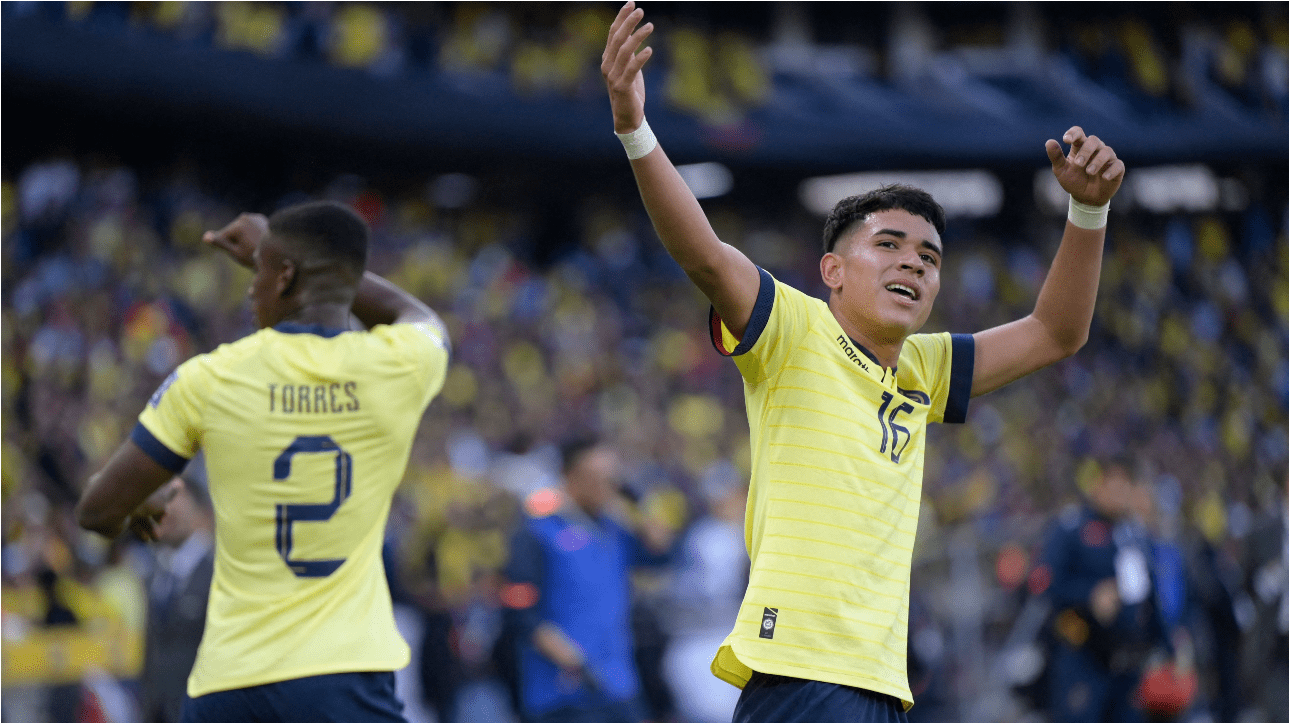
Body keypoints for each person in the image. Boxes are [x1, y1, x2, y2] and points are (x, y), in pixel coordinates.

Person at [601, 3, 1126, 720]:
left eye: (929, 256)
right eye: (888, 244)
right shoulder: (792, 328)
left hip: (882, 683)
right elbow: (703, 254)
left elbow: (1055, 333)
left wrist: (1088, 215)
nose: (912, 260)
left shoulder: (926, 368)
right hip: (801, 674)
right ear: (832, 270)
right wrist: (635, 128)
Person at [75, 201, 450, 722]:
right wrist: (290, 256)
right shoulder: (400, 366)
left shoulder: (210, 377)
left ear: (285, 277)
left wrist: (140, 502)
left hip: (231, 685)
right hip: (342, 678)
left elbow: (95, 512)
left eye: (258, 273)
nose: (251, 289)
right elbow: (421, 316)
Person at [500, 437, 673, 722]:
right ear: (570, 476)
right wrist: (567, 656)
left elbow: (662, 554)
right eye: (597, 477)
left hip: (619, 682)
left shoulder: (616, 530)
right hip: (564, 690)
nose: (607, 486)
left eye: (612, 478)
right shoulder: (539, 531)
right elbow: (517, 608)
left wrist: (637, 506)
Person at [1036, 460, 1171, 722]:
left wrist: (1166, 645)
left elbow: (1149, 594)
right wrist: (1088, 595)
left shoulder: (1135, 534)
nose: (1120, 493)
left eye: (1125, 485)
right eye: (1113, 484)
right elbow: (1043, 583)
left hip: (1128, 660)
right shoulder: (1071, 528)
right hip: (1083, 656)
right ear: (1097, 486)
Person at [140, 461, 215, 723]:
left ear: (201, 511)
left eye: (174, 498)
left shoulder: (220, 573)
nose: (165, 509)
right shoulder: (153, 575)